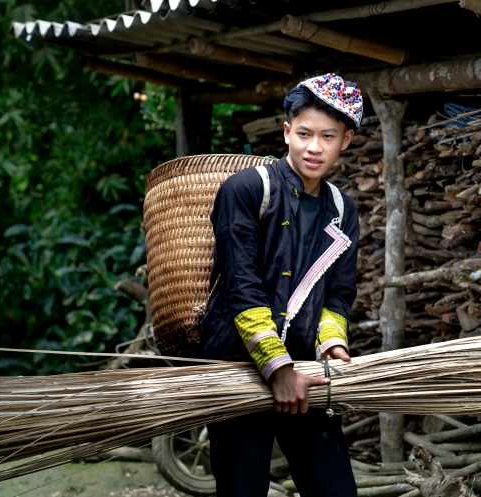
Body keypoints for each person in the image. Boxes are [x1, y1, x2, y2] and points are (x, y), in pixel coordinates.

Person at [199, 73, 362, 497]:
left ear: (345, 140)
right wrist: (278, 367)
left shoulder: (343, 209)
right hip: (238, 366)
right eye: (304, 133)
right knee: (242, 489)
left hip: (306, 371)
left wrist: (332, 347)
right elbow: (242, 286)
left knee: (335, 489)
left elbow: (339, 294)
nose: (314, 147)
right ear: (286, 132)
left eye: (328, 136)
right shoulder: (247, 190)